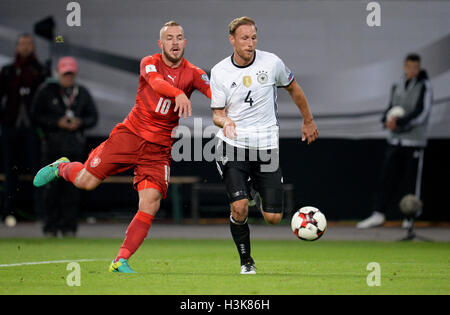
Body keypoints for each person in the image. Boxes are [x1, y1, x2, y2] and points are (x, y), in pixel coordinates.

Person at [33, 21, 211, 272]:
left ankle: (121, 260)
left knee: (151, 202)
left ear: (185, 43)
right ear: (160, 44)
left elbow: (215, 92)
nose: (175, 42)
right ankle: (62, 168)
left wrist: (225, 113)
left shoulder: (193, 73)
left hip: (157, 149)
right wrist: (178, 93)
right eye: (169, 38)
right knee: (86, 182)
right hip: (130, 136)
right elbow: (158, 84)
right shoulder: (149, 62)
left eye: (179, 37)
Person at [210, 17, 318, 274]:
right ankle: (246, 262)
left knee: (273, 218)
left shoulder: (272, 63)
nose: (250, 43)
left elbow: (294, 89)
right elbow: (216, 113)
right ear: (232, 40)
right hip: (232, 146)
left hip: (266, 147)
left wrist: (308, 120)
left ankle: (255, 190)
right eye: (244, 38)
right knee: (239, 207)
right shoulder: (219, 71)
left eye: (254, 37)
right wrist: (224, 121)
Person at [357, 53, 432, 229]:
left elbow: (422, 113)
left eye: (415, 67)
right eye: (409, 66)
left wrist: (400, 123)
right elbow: (391, 108)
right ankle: (378, 214)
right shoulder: (397, 85)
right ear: (404, 67)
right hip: (395, 141)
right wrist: (387, 121)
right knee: (387, 178)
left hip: (414, 142)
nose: (412, 70)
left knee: (411, 182)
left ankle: (410, 217)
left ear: (418, 68)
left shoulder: (424, 86)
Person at [31, 56, 98, 237]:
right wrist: (56, 123)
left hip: (74, 147)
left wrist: (80, 122)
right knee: (50, 189)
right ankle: (50, 227)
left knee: (73, 189)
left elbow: (93, 117)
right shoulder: (46, 91)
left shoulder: (81, 92)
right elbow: (35, 116)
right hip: (52, 146)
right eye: (65, 74)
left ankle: (69, 227)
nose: (68, 77)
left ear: (74, 74)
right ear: (58, 73)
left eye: (71, 74)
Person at [0, 33, 46, 222]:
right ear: (17, 47)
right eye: (22, 44)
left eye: (28, 44)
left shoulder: (40, 70)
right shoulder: (9, 71)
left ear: (33, 47)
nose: (25, 47)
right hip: (11, 127)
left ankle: (41, 213)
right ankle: (8, 212)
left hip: (33, 128)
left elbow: (44, 100)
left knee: (39, 171)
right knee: (11, 172)